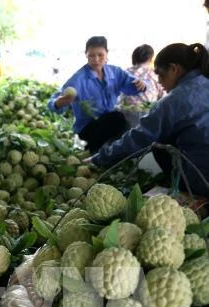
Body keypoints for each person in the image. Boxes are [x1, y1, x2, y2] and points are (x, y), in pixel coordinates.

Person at [88, 43, 209, 197]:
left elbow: (139, 137)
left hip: (203, 181)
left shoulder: (175, 100)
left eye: (160, 75)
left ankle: (187, 188)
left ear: (174, 69)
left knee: (159, 144)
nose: (158, 81)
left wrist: (100, 158)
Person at [47, 36, 146, 153]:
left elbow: (131, 86)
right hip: (87, 129)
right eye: (91, 55)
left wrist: (140, 85)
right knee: (117, 118)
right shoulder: (78, 79)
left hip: (107, 124)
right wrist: (59, 103)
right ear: (86, 55)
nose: (96, 59)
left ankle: (110, 153)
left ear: (107, 53)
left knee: (130, 121)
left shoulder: (116, 72)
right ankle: (92, 153)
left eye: (100, 55)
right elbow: (52, 102)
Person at [117, 44, 165, 109]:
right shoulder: (155, 74)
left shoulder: (125, 72)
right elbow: (164, 98)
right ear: (151, 59)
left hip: (124, 112)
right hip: (148, 113)